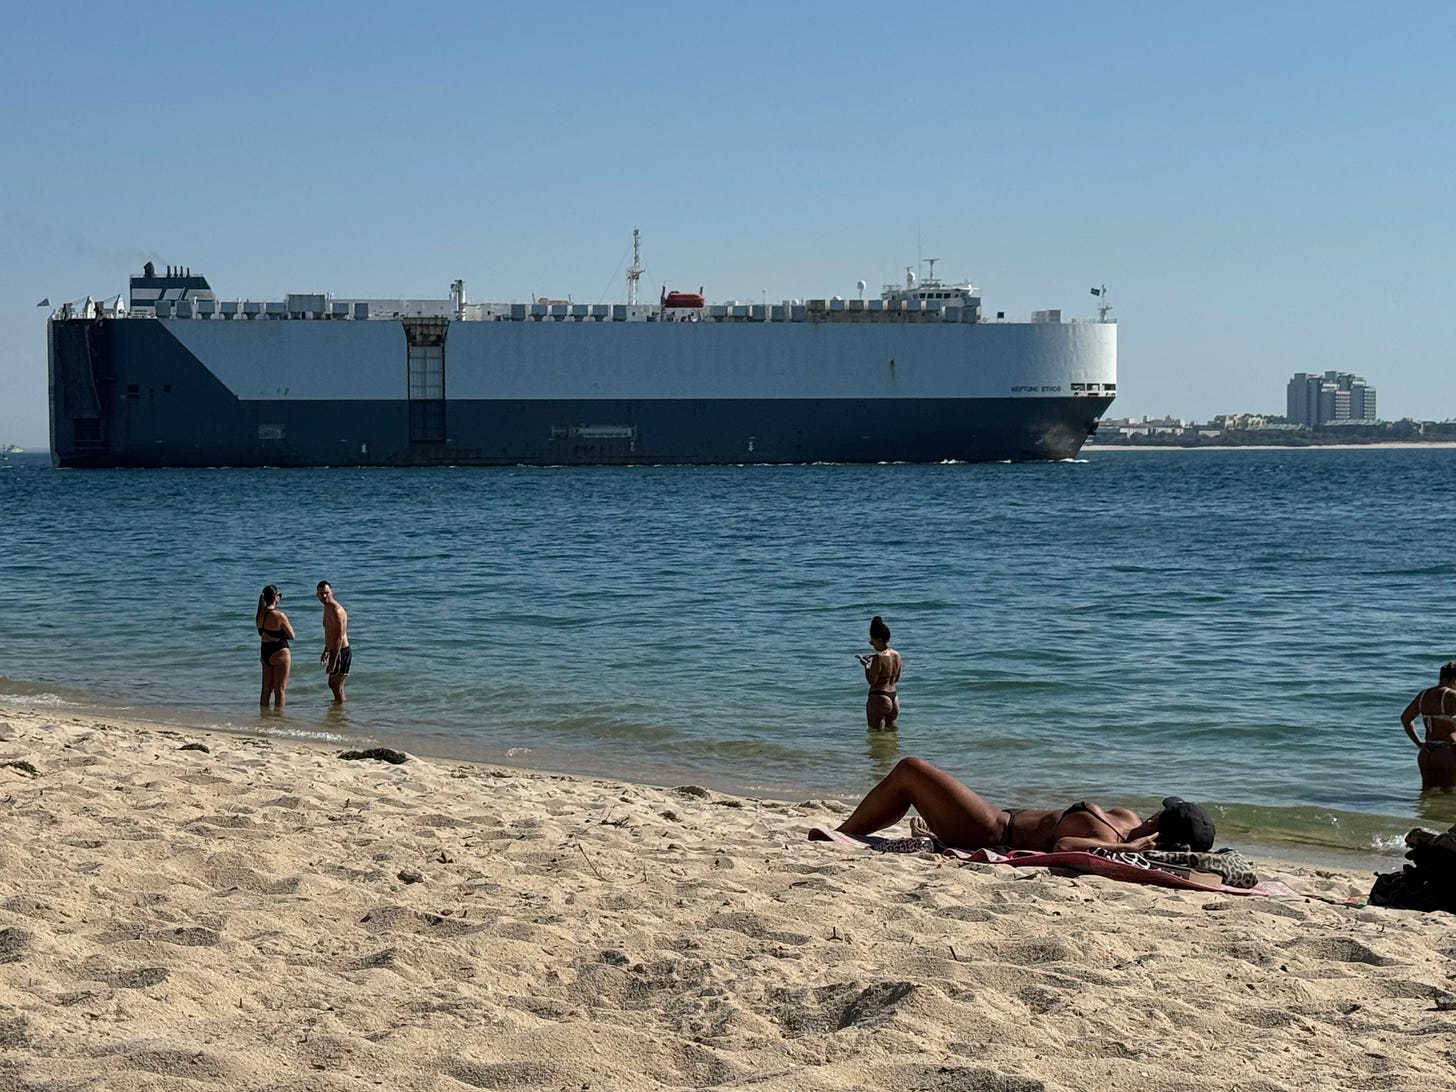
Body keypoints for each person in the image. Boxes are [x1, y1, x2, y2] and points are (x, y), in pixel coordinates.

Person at [821, 756, 1216, 854]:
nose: (1153, 812)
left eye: (1162, 813)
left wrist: (1125, 848)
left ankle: (845, 836)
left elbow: (1064, 847)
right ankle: (850, 833)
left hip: (990, 830)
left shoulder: (1108, 836)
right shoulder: (1126, 819)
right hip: (1002, 813)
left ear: (1161, 826)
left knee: (911, 770)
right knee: (913, 776)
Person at [1401, 661, 1456, 790]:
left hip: (1426, 754)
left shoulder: (1423, 695)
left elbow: (1405, 719)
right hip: (1447, 752)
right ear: (1454, 679)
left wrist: (1419, 744)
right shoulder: (1452, 696)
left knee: (1426, 795)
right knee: (1449, 797)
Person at [255, 584, 295, 710]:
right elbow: (292, 635)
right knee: (280, 690)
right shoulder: (279, 615)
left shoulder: (259, 615)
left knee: (266, 690)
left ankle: (263, 717)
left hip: (265, 652)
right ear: (276, 597)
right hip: (279, 652)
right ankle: (278, 721)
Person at [860, 615, 902, 730]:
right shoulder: (897, 655)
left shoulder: (878, 658)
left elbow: (872, 681)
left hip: (879, 697)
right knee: (892, 735)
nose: (872, 644)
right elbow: (896, 678)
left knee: (875, 735)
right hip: (894, 697)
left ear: (878, 639)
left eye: (872, 641)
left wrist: (866, 666)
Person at [316, 580, 351, 703]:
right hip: (334, 650)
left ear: (332, 592)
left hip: (341, 651)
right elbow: (330, 633)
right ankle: (338, 711)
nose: (324, 596)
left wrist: (333, 662)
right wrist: (326, 650)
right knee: (333, 684)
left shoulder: (336, 610)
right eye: (321, 593)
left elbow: (339, 637)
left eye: (326, 593)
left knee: (336, 685)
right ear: (317, 595)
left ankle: (340, 712)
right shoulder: (327, 608)